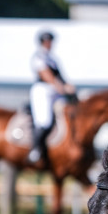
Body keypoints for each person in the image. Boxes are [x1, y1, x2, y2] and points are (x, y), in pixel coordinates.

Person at [28, 31, 75, 163]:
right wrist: (62, 88)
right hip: (43, 91)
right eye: (47, 41)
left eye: (50, 41)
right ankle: (36, 149)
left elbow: (61, 77)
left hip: (56, 92)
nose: (49, 44)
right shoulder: (39, 57)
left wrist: (69, 86)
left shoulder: (53, 59)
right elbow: (47, 76)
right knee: (44, 121)